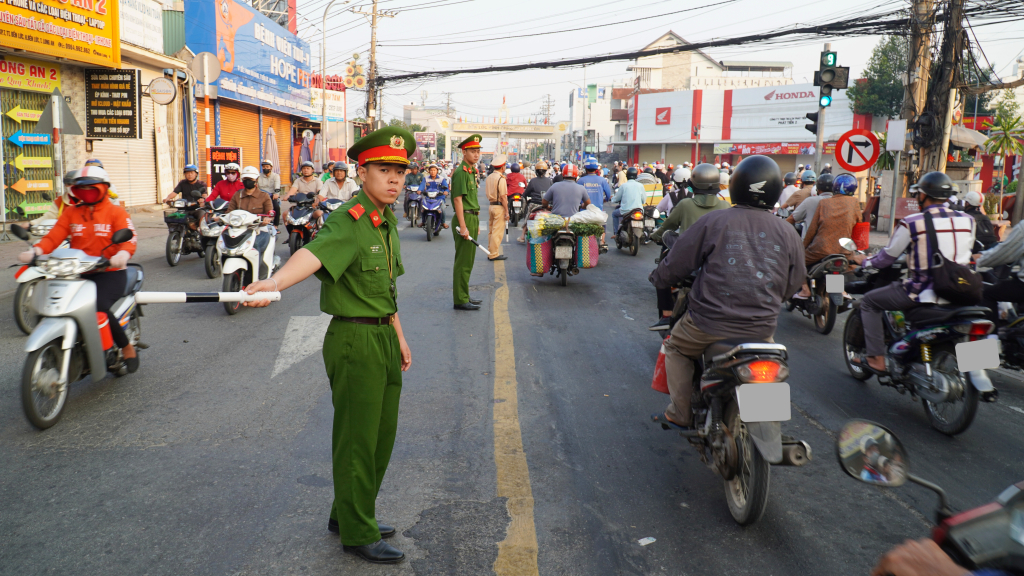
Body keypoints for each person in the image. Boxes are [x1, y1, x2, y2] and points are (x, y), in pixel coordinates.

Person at [241, 126, 413, 565]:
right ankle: (358, 531)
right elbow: (312, 253)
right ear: (363, 171)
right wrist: (275, 282)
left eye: (400, 171)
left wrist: (399, 335)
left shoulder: (384, 219)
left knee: (381, 435)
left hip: (381, 334)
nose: (394, 179)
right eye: (384, 170)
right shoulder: (349, 219)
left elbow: (385, 287)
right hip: (355, 338)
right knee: (358, 438)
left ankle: (349, 512)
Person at [649, 155, 805, 429]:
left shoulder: (715, 222)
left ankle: (681, 412)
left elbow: (676, 263)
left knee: (674, 347)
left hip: (707, 322)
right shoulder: (788, 232)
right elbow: (794, 282)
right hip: (761, 328)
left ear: (736, 186)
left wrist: (659, 277)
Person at [21, 166, 140, 372]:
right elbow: (54, 236)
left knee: (97, 308)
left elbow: (130, 238)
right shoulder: (71, 212)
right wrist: (37, 250)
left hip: (109, 273)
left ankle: (125, 346)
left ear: (103, 188)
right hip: (77, 272)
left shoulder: (116, 212)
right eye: (81, 189)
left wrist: (122, 255)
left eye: (91, 188)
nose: (86, 192)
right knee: (53, 303)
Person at [857, 172, 977, 373]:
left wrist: (865, 262)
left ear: (922, 195)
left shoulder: (912, 222)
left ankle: (876, 359)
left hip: (923, 292)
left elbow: (888, 256)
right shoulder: (968, 220)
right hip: (964, 290)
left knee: (869, 302)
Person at [648, 163, 731, 330]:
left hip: (686, 260)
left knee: (661, 276)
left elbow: (667, 227)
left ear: (693, 184)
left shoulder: (685, 204)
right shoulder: (725, 206)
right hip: (716, 262)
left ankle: (666, 316)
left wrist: (654, 236)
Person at [792, 174, 864, 298]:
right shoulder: (855, 202)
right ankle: (840, 290)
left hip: (820, 249)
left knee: (797, 260)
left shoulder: (824, 203)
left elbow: (812, 229)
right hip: (844, 251)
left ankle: (805, 289)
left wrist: (803, 247)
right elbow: (859, 228)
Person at [452, 134, 485, 311]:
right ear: (464, 152)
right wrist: (463, 226)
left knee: (469, 262)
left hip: (471, 217)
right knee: (463, 262)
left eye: (478, 151)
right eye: (473, 151)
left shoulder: (471, 171)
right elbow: (458, 199)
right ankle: (460, 300)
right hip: (464, 218)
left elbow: (471, 199)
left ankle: (464, 294)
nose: (476, 154)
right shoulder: (461, 172)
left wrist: (476, 223)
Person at [226, 166, 275, 266]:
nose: (248, 181)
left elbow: (270, 212)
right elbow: (229, 211)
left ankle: (260, 269)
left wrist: (267, 218)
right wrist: (221, 218)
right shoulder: (237, 195)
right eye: (245, 179)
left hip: (259, 229)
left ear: (256, 180)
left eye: (250, 179)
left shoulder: (264, 196)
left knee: (255, 245)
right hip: (239, 229)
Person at [578, 157, 613, 250]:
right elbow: (609, 195)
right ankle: (602, 241)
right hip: (598, 211)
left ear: (586, 168)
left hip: (584, 211)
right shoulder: (602, 180)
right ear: (597, 169)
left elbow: (576, 195)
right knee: (602, 224)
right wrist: (605, 200)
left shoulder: (581, 180)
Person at [518, 161, 553, 243]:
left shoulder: (533, 181)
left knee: (527, 217)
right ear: (545, 171)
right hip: (546, 206)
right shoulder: (549, 181)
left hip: (534, 205)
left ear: (536, 171)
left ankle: (522, 236)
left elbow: (525, 193)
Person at [484, 154, 510, 262]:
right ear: (503, 167)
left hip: (491, 206)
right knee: (497, 232)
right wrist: (507, 211)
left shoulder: (489, 177)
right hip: (499, 207)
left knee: (491, 231)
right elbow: (503, 197)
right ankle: (494, 254)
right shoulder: (501, 179)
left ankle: (491, 252)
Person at [611, 167, 645, 234]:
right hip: (639, 210)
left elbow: (616, 198)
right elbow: (643, 200)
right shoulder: (641, 186)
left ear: (627, 176)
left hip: (625, 211)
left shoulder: (623, 186)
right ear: (636, 176)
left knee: (614, 214)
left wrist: (612, 198)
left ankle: (616, 233)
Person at [421, 164, 450, 230]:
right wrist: (419, 190)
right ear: (429, 171)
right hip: (428, 197)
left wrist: (446, 191)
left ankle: (443, 222)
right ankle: (423, 221)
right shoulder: (426, 178)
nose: (432, 172)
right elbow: (422, 186)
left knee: (442, 209)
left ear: (437, 171)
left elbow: (446, 187)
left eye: (434, 170)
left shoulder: (441, 179)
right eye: (431, 170)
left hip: (439, 197)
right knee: (423, 208)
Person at [258, 160, 283, 226]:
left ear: (271, 167)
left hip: (271, 195)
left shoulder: (275, 176)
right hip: (260, 195)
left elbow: (277, 185)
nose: (265, 168)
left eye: (267, 166)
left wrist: (276, 193)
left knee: (276, 207)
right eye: (264, 167)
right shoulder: (258, 176)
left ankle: (276, 225)